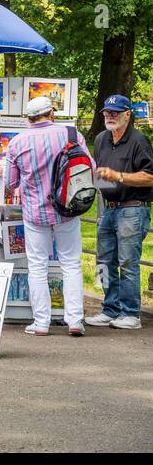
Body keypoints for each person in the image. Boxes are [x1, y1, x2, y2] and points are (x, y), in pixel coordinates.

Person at [4, 95, 91, 336]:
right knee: (71, 264)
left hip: (35, 212)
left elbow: (11, 183)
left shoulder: (17, 142)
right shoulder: (71, 135)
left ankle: (41, 322)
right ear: (51, 113)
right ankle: (74, 320)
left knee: (37, 266)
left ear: (28, 118)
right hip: (68, 210)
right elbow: (88, 167)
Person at [85, 94, 153, 330]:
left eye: (115, 112)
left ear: (127, 114)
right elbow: (99, 172)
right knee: (103, 260)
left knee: (127, 262)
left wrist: (119, 177)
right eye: (107, 112)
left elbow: (149, 177)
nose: (110, 116)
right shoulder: (102, 139)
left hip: (132, 209)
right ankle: (109, 308)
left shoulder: (139, 141)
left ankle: (131, 313)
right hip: (108, 208)